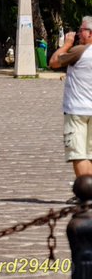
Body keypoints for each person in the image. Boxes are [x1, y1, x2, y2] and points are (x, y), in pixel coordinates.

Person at [51, 17, 92, 203]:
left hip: (77, 109)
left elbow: (53, 62)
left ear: (90, 33)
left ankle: (86, 194)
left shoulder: (79, 51)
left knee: (78, 153)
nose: (77, 33)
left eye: (81, 29)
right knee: (89, 154)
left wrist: (66, 44)